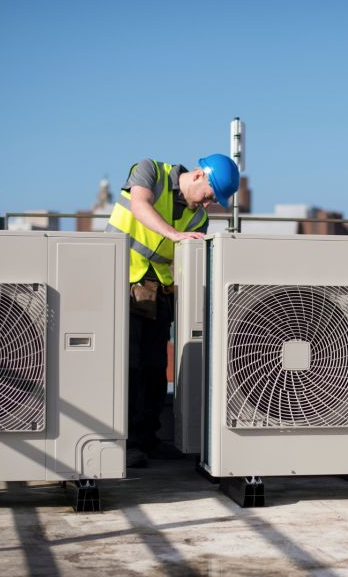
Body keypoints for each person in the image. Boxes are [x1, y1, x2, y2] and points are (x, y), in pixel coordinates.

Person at [106, 154, 240, 467]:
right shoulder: (149, 170)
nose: (207, 205)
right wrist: (175, 235)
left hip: (160, 292)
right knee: (130, 366)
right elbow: (140, 206)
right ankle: (123, 444)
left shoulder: (198, 218)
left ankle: (148, 439)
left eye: (213, 201)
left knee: (155, 368)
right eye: (208, 196)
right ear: (198, 176)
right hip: (121, 281)